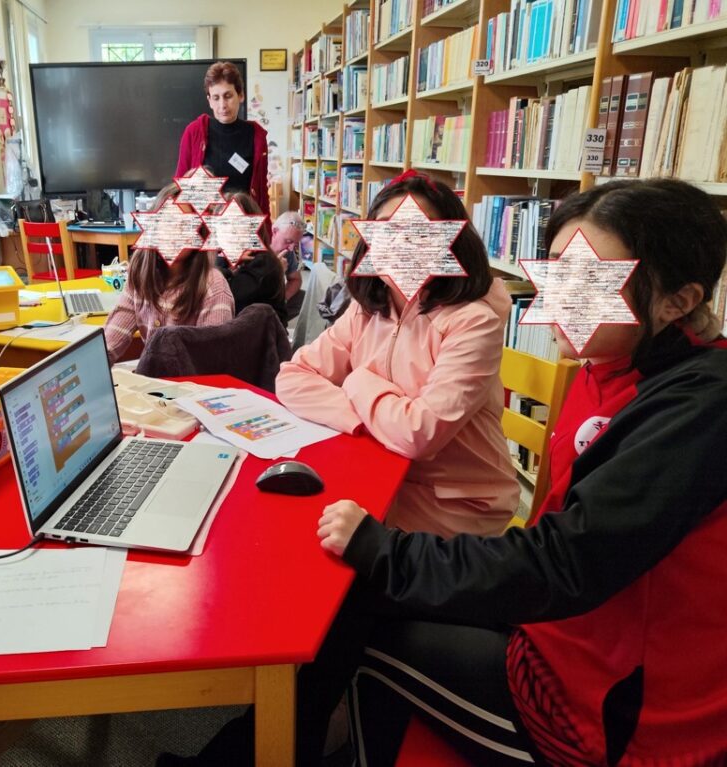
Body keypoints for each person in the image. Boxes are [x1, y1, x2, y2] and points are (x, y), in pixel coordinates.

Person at [309, 177, 727, 767]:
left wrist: (387, 551)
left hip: (605, 715)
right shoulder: (607, 366)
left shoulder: (699, 406)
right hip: (563, 627)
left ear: (678, 301)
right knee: (361, 600)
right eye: (555, 272)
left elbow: (568, 560)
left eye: (587, 279)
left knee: (358, 628)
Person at [276, 171, 519, 538]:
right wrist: (367, 423)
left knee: (315, 546)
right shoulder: (368, 308)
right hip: (381, 472)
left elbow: (420, 433)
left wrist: (357, 382)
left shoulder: (474, 322)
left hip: (456, 504)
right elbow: (292, 378)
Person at [103, 184, 234, 364]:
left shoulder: (213, 286)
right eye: (169, 222)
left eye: (186, 226)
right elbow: (110, 342)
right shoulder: (140, 274)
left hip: (192, 379)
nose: (176, 234)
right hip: (153, 377)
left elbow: (211, 363)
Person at [176, 61, 270, 215]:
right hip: (204, 224)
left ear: (240, 95)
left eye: (228, 96)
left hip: (241, 223)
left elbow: (261, 192)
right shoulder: (194, 132)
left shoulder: (256, 136)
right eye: (216, 97)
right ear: (209, 100)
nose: (222, 105)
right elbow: (180, 188)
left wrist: (266, 228)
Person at [213, 192, 287, 325]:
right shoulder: (222, 258)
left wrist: (222, 264)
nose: (231, 230)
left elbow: (224, 294)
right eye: (224, 223)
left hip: (262, 335)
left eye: (239, 223)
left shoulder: (264, 262)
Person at [270, 210, 305, 318]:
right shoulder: (256, 244)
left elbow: (296, 279)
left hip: (273, 299)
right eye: (288, 241)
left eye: (295, 244)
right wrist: (274, 270)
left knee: (303, 298)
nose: (291, 248)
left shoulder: (288, 250)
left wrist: (283, 300)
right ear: (274, 231)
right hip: (251, 300)